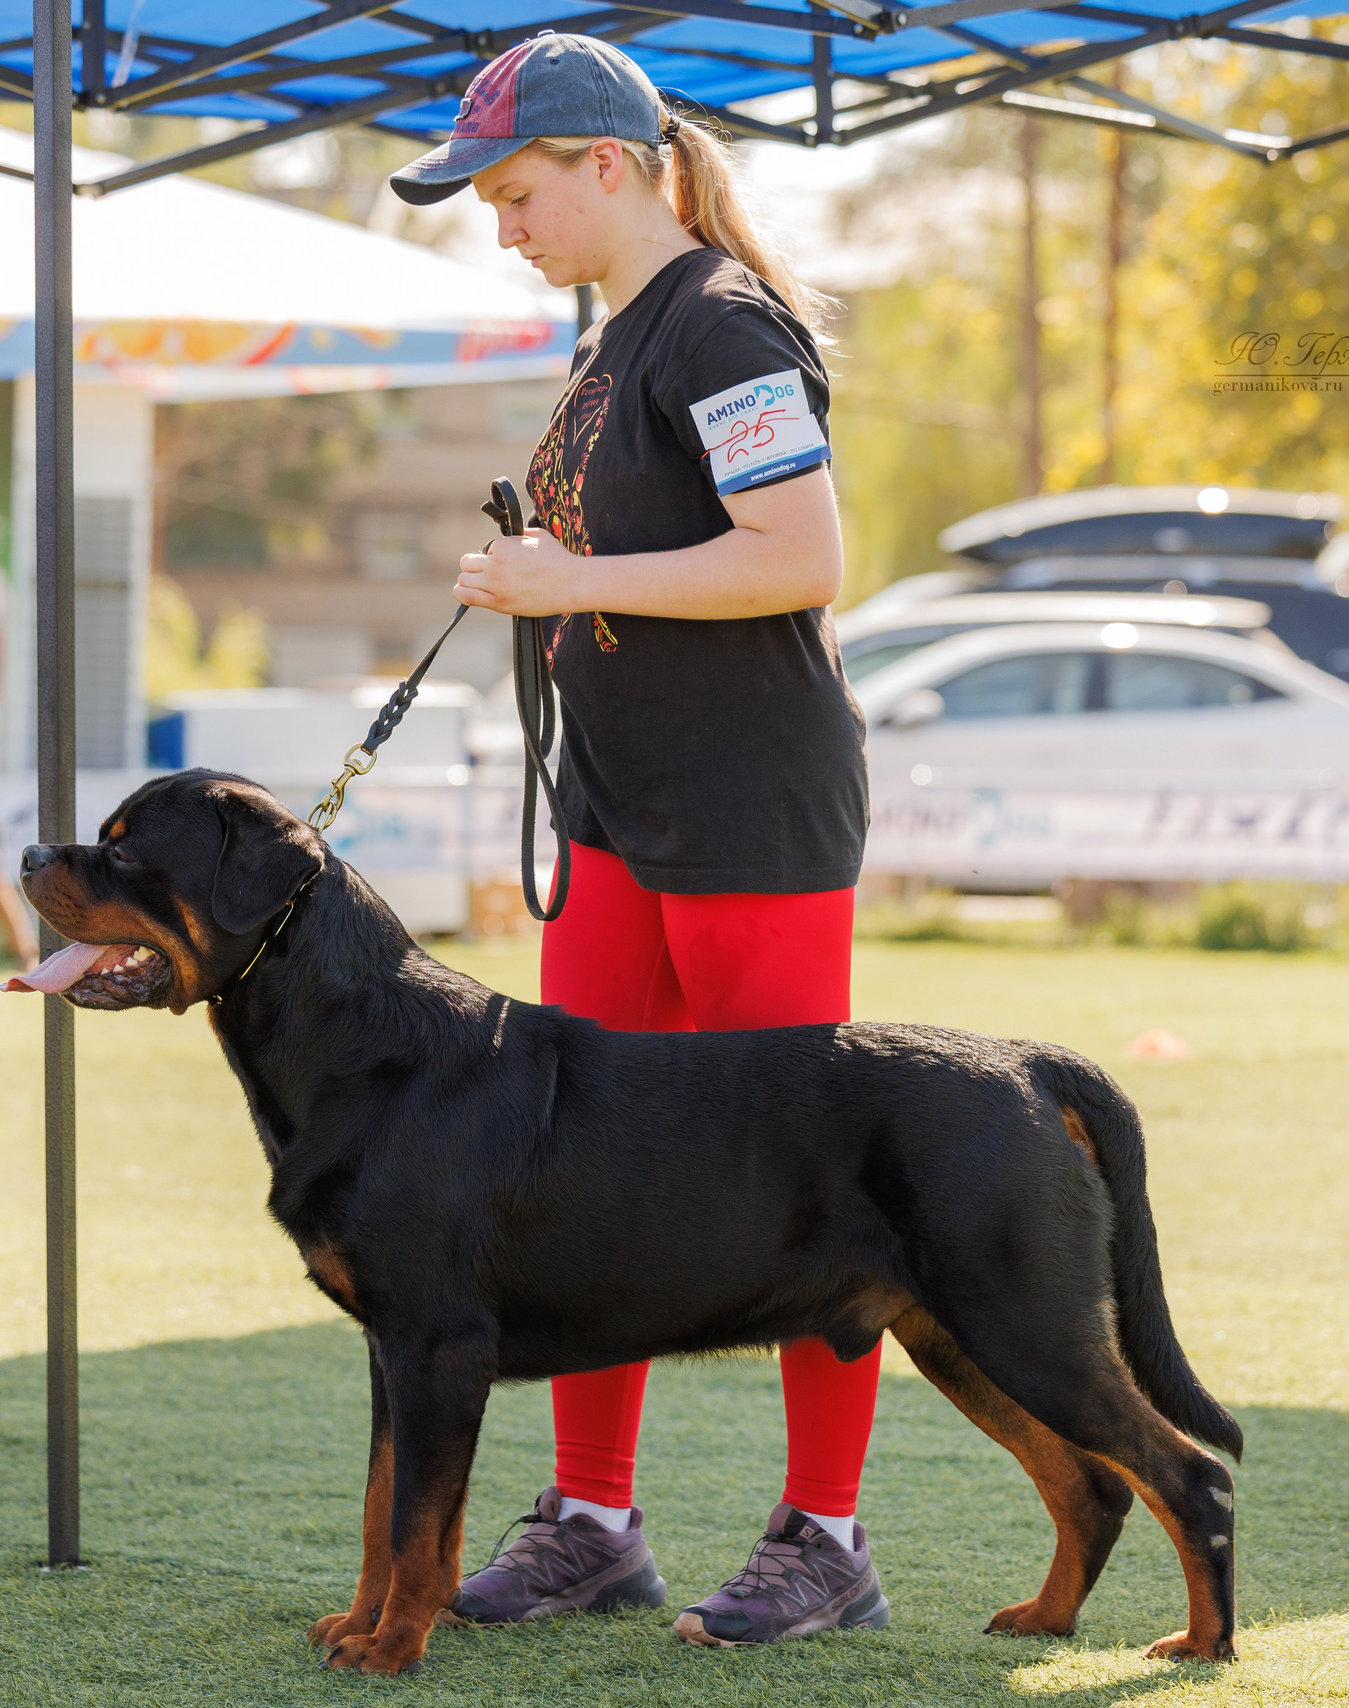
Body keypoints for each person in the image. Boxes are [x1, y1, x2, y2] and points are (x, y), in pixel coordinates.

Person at [388, 33, 879, 1649]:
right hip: (617, 823)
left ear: (613, 166)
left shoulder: (723, 319)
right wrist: (545, 574)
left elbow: (799, 555)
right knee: (574, 1166)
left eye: (518, 194)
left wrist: (568, 584)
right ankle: (592, 1519)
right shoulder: (612, 339)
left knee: (809, 1187)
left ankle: (829, 1537)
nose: (501, 225)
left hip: (752, 819)